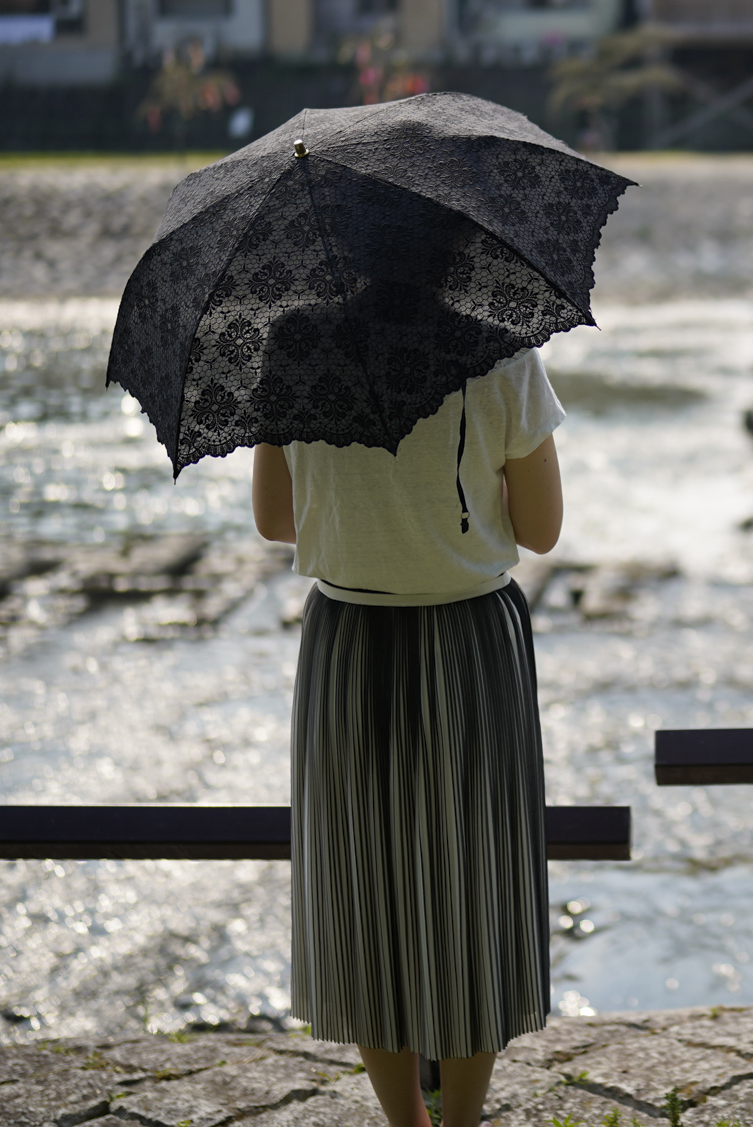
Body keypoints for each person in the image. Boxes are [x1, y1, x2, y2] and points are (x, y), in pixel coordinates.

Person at [251, 348, 565, 1127]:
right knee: (474, 884)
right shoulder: (501, 355)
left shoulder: (296, 353)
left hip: (348, 640)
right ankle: (461, 1121)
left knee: (359, 881)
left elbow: (276, 522)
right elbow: (543, 528)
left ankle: (405, 1122)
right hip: (470, 639)